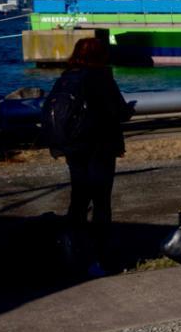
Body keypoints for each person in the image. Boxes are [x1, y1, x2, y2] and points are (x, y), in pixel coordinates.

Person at [45, 37, 132, 277]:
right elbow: (119, 111)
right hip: (100, 147)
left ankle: (71, 252)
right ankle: (100, 256)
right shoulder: (102, 77)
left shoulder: (66, 76)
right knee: (101, 202)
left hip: (73, 147)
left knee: (79, 198)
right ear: (101, 56)